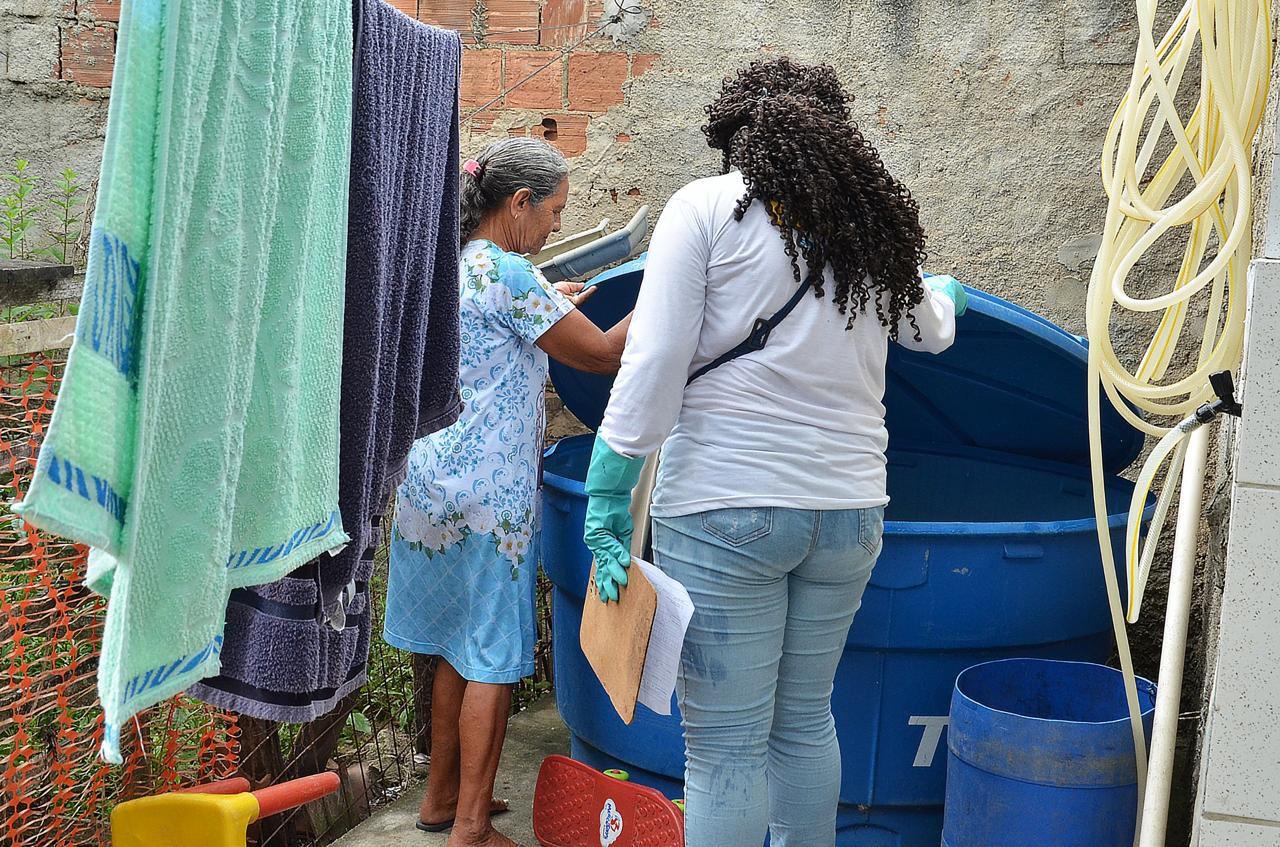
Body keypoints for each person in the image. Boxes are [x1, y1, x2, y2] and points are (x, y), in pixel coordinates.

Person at [581, 58, 966, 846]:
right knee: (803, 722)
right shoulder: (866, 229)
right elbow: (932, 328)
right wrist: (946, 289)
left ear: (734, 137)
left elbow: (652, 362)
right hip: (850, 512)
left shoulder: (706, 209)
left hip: (726, 509)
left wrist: (607, 491)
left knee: (725, 748)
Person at [384, 137, 631, 847]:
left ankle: (438, 801)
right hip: (489, 499)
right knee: (490, 654)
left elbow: (500, 326)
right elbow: (604, 353)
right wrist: (667, 296)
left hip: (427, 485)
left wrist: (550, 299)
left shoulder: (452, 262)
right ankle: (470, 828)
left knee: (453, 645)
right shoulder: (514, 275)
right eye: (553, 211)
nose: (556, 225)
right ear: (517, 203)